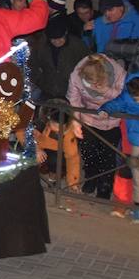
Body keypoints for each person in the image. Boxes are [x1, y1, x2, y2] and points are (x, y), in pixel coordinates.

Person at [28, 17, 88, 189]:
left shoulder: (77, 46)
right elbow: (33, 65)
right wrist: (39, 80)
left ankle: (63, 170)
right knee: (46, 132)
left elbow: (87, 66)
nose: (56, 42)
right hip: (48, 93)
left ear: (66, 34)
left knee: (66, 134)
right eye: (53, 39)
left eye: (60, 38)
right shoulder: (42, 46)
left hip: (69, 95)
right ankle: (49, 166)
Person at [100, 73, 139, 225]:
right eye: (135, 99)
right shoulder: (129, 95)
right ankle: (137, 209)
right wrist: (105, 109)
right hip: (137, 143)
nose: (137, 102)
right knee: (138, 179)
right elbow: (116, 103)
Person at [67, 54, 127, 198]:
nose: (94, 87)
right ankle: (91, 177)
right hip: (88, 118)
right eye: (91, 84)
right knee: (89, 151)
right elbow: (74, 100)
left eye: (98, 83)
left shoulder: (118, 73)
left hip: (112, 120)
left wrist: (106, 91)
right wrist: (76, 122)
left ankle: (105, 185)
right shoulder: (76, 76)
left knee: (108, 154)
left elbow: (125, 96)